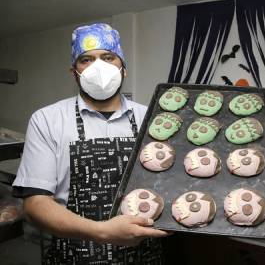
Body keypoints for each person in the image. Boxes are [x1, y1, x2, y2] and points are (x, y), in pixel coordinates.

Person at [12, 23, 168, 264]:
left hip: (144, 252)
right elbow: (36, 205)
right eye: (86, 60)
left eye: (108, 57)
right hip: (75, 254)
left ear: (123, 69)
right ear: (74, 71)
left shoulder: (151, 119)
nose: (99, 67)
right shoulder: (47, 120)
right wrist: (104, 232)